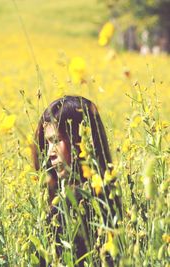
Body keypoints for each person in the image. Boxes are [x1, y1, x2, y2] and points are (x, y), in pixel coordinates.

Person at [32, 95, 121, 266]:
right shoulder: (110, 194)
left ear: (80, 141)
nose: (49, 152)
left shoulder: (72, 205)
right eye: (47, 142)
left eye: (56, 140)